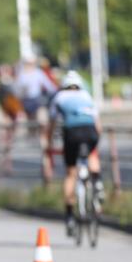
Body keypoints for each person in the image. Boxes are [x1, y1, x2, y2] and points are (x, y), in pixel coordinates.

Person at [45, 71, 104, 236]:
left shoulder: (59, 97)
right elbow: (98, 125)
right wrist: (96, 142)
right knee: (92, 155)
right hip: (90, 132)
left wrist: (49, 143)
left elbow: (52, 123)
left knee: (71, 173)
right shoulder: (87, 96)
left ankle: (70, 216)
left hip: (71, 133)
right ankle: (97, 183)